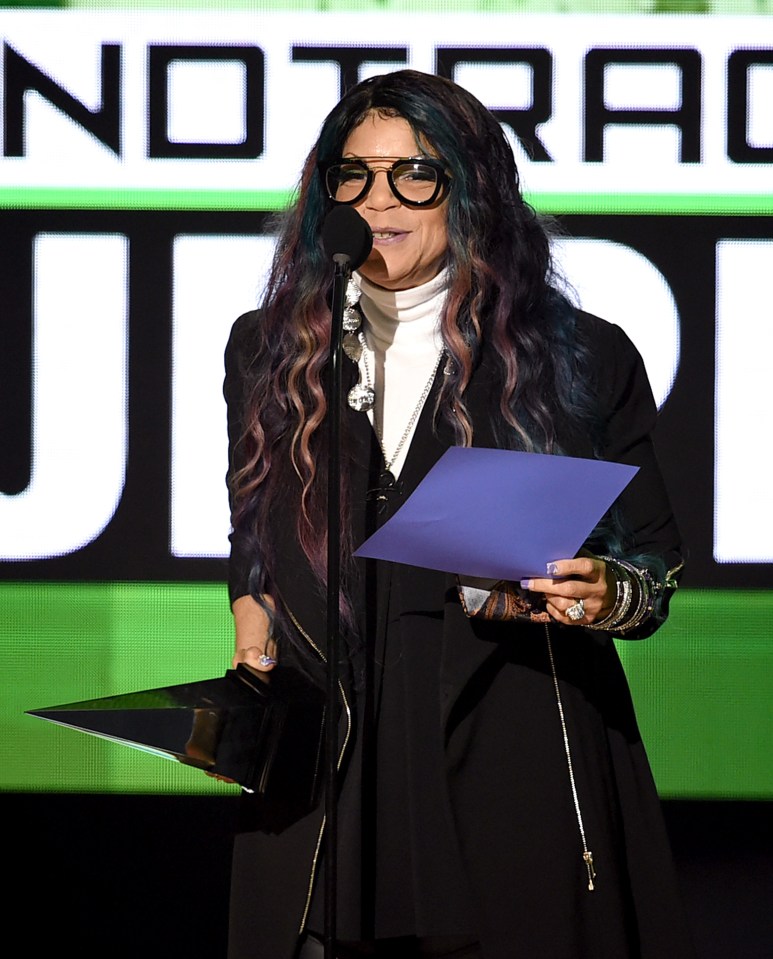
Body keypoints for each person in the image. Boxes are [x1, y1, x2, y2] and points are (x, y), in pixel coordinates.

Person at [222, 69, 694, 959]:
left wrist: (606, 592)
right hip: (329, 770)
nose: (380, 199)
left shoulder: (572, 358)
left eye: (415, 174)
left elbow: (654, 566)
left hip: (506, 750)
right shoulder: (273, 347)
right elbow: (253, 519)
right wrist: (250, 602)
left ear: (470, 186)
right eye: (353, 175)